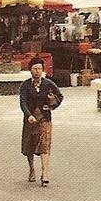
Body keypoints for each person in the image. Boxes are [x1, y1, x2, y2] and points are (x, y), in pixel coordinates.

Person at [19, 57, 63, 186]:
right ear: (30, 70)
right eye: (35, 69)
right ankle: (32, 169)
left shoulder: (48, 84)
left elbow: (60, 96)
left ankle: (45, 173)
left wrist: (51, 106)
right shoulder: (25, 85)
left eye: (39, 69)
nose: (37, 71)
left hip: (45, 119)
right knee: (30, 145)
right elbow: (23, 102)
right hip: (31, 120)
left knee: (45, 144)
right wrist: (28, 115)